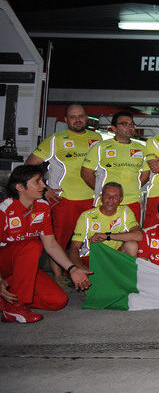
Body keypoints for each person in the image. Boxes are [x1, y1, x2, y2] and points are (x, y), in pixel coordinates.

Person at [0, 165, 91, 323]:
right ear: (20, 187)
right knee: (33, 246)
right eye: (38, 182)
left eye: (43, 180)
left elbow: (51, 244)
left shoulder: (42, 207)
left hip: (24, 268)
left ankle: (9, 302)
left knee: (58, 301)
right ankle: (16, 307)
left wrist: (72, 269)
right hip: (4, 264)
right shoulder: (4, 209)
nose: (44, 185)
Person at [25, 103, 101, 282]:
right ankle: (58, 278)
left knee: (89, 241)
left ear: (87, 117)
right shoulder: (56, 139)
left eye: (81, 116)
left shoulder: (97, 138)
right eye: (73, 117)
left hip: (92, 199)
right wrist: (44, 188)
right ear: (66, 120)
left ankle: (86, 275)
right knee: (58, 241)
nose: (77, 120)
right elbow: (29, 165)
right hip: (63, 200)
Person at [81, 111, 148, 220]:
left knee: (130, 236)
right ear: (113, 128)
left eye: (131, 124)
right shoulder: (101, 147)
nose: (129, 127)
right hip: (107, 204)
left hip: (132, 202)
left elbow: (145, 175)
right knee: (103, 236)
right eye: (124, 124)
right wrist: (104, 192)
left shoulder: (142, 149)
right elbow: (85, 173)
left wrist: (132, 189)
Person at [68, 182, 143, 268]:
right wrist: (78, 268)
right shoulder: (87, 216)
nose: (111, 199)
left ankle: (125, 277)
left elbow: (139, 236)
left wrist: (107, 236)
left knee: (132, 245)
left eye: (115, 196)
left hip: (114, 256)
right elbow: (74, 247)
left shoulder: (125, 211)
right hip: (92, 257)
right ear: (101, 197)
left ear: (121, 199)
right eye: (107, 195)